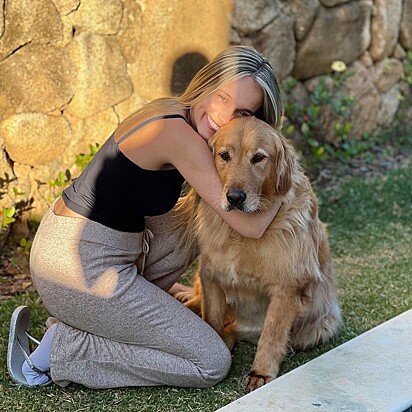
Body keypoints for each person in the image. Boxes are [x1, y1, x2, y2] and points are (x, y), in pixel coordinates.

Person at [7, 45, 283, 389]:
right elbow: (252, 224)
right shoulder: (176, 134)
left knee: (197, 219)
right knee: (211, 362)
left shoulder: (177, 111)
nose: (223, 115)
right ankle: (63, 349)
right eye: (222, 96)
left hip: (106, 246)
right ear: (208, 82)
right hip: (75, 266)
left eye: (241, 112)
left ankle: (108, 315)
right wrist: (289, 174)